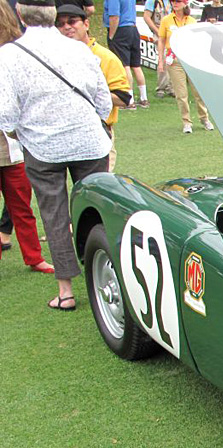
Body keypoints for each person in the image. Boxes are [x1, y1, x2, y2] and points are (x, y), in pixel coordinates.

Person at [0, 0, 111, 310]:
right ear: (53, 16)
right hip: (89, 140)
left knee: (55, 216)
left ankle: (66, 291)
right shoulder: (79, 48)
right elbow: (103, 102)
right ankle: (107, 273)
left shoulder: (8, 55)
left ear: (20, 14)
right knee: (98, 209)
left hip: (42, 146)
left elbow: (5, 115)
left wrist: (21, 132)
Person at [0, 0, 51, 274]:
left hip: (12, 141)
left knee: (21, 203)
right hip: (9, 137)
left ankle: (34, 256)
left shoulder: (14, 52)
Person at [55, 3, 129, 170]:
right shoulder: (55, 58)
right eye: (60, 24)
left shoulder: (105, 57)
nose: (67, 27)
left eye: (72, 21)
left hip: (98, 130)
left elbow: (124, 98)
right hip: (64, 132)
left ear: (86, 24)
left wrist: (87, 92)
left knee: (99, 186)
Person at [158, 0, 213, 133]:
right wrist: (160, 60)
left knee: (198, 92)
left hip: (190, 59)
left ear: (184, 3)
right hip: (175, 60)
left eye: (178, 1)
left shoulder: (192, 22)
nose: (175, 4)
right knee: (181, 94)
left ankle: (204, 118)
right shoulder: (166, 20)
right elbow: (161, 40)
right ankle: (186, 121)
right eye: (173, 2)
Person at [105, 0, 146, 108]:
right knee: (136, 66)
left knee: (125, 65)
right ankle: (144, 98)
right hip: (133, 29)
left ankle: (129, 99)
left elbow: (114, 16)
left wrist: (111, 35)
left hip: (121, 30)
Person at [143, 0, 172, 97]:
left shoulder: (171, 2)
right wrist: (158, 32)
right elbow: (147, 17)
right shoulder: (152, 1)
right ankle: (161, 88)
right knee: (162, 59)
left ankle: (171, 87)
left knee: (172, 60)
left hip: (171, 33)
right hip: (159, 34)